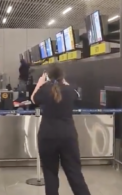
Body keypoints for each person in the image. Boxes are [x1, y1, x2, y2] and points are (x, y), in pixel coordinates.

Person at [31, 65, 91, 195]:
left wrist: (40, 83)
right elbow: (77, 95)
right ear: (62, 76)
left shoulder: (44, 90)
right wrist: (63, 82)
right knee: (74, 173)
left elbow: (33, 98)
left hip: (47, 136)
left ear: (48, 76)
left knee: (50, 174)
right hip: (68, 135)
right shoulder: (70, 90)